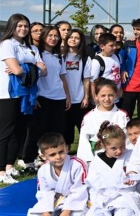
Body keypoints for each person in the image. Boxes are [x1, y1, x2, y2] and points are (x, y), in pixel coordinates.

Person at [82, 121, 140, 216]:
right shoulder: (96, 161)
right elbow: (92, 185)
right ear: (103, 145)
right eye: (113, 148)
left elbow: (139, 171)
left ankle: (118, 214)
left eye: (122, 146)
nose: (119, 151)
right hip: (104, 198)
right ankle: (110, 214)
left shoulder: (131, 155)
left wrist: (134, 178)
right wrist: (95, 202)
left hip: (125, 196)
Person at [24, 26, 69, 166]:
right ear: (43, 37)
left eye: (56, 36)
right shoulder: (37, 54)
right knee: (37, 130)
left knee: (56, 130)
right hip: (42, 97)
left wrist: (67, 96)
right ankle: (29, 159)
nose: (53, 38)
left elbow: (62, 77)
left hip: (59, 98)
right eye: (50, 35)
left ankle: (53, 156)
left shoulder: (59, 56)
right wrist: (34, 96)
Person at [27, 132, 88, 216]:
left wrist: (67, 210)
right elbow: (45, 192)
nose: (58, 157)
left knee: (77, 214)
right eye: (52, 155)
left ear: (66, 148)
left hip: (77, 200)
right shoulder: (43, 170)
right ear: (43, 157)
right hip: (58, 201)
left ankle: (62, 214)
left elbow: (80, 190)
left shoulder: (78, 164)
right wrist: (46, 211)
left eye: (61, 152)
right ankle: (56, 215)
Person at [77, 78, 130, 164]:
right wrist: (88, 161)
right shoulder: (89, 117)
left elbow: (128, 138)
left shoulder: (122, 115)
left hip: (120, 156)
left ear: (116, 95)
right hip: (96, 158)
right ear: (96, 96)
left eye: (110, 95)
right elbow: (83, 140)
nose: (107, 98)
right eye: (103, 95)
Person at [119, 18, 140, 118]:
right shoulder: (128, 44)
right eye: (134, 29)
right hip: (129, 86)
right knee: (125, 117)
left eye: (138, 29)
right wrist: (123, 69)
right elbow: (120, 59)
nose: (135, 31)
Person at [63, 29, 91, 149]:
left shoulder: (85, 58)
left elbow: (86, 79)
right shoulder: (61, 57)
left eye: (77, 38)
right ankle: (66, 153)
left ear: (81, 41)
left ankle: (86, 153)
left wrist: (86, 97)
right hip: (64, 99)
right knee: (66, 131)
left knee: (84, 130)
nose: (73, 40)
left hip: (79, 100)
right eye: (71, 37)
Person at [88, 32, 122, 100]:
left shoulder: (116, 56)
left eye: (115, 45)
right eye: (111, 45)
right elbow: (93, 83)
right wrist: (95, 99)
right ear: (102, 46)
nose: (114, 47)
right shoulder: (97, 61)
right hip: (104, 100)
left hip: (115, 98)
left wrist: (120, 89)